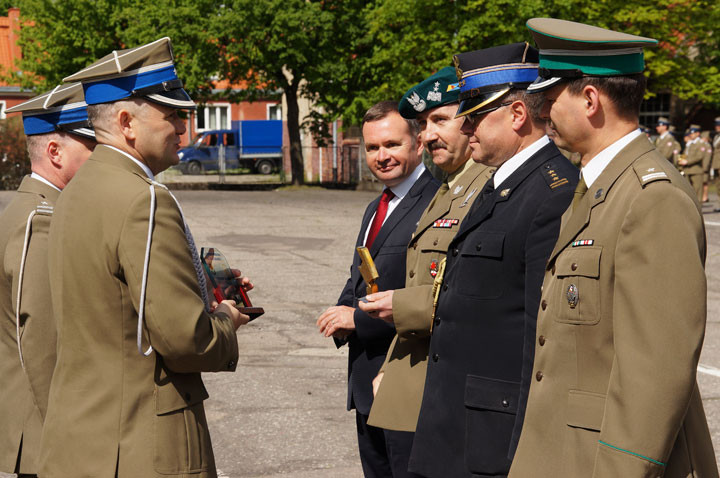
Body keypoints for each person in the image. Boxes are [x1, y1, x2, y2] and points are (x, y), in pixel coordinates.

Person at [509, 18, 718, 477]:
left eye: (548, 99)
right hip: (565, 450)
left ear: (589, 100)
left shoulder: (652, 197)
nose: (542, 114)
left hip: (605, 459)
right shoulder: (599, 185)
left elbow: (656, 369)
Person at [38, 38, 250, 478]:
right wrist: (227, 319)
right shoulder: (145, 200)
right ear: (126, 122)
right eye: (172, 115)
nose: (183, 130)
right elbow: (183, 340)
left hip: (81, 438)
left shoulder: (74, 191)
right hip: (141, 444)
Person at [406, 43, 577, 478]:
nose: (465, 126)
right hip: (456, 421)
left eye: (476, 114)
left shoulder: (551, 193)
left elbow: (541, 335)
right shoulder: (501, 182)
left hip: (497, 436)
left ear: (517, 114)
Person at [359, 68, 494, 439]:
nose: (428, 133)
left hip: (453, 382)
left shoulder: (486, 189)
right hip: (410, 374)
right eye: (424, 123)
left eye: (439, 120)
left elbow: (481, 297)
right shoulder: (447, 191)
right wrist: (391, 366)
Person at [316, 101, 439, 478]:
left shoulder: (437, 202)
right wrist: (340, 310)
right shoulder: (376, 206)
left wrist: (357, 319)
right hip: (367, 377)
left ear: (418, 144)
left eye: (392, 144)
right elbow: (364, 274)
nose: (381, 156)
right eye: (372, 148)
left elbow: (433, 295)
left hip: (408, 375)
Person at [0, 83, 95, 478]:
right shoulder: (43, 221)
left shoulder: (31, 209)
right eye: (92, 149)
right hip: (43, 431)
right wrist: (68, 435)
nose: (102, 159)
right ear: (54, 152)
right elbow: (40, 342)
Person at [678, 124, 705, 202]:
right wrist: (680, 160)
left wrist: (687, 161)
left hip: (696, 170)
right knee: (689, 191)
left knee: (698, 191)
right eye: (691, 133)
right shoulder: (690, 144)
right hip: (687, 170)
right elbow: (685, 154)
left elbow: (700, 156)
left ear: (698, 133)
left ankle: (699, 210)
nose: (691, 135)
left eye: (693, 133)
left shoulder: (700, 143)